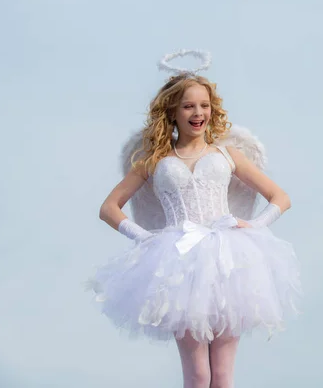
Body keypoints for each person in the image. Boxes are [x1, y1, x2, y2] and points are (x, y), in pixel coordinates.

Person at [86, 50, 301, 388]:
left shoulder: (227, 153)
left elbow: (281, 197)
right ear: (172, 111)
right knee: (199, 375)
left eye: (204, 104)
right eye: (188, 106)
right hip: (178, 264)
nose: (198, 112)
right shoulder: (154, 159)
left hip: (230, 260)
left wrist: (253, 226)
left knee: (223, 374)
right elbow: (109, 208)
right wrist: (146, 238)